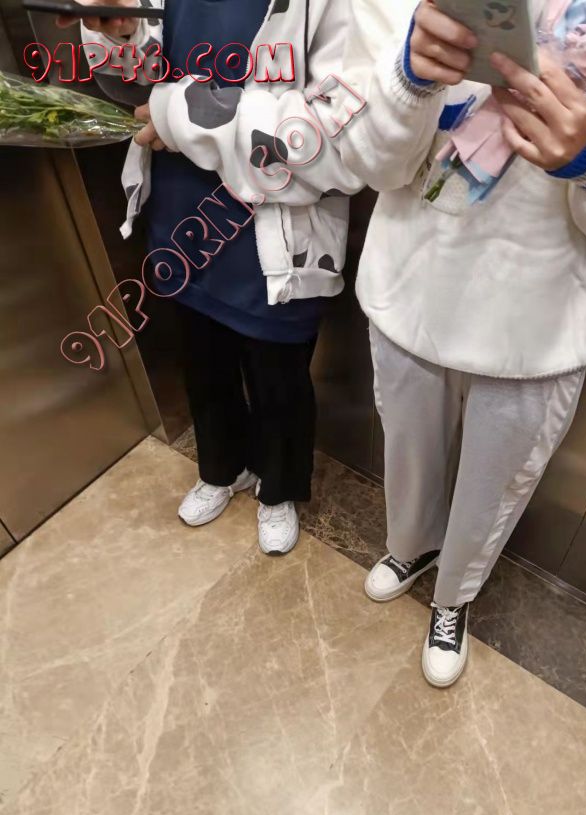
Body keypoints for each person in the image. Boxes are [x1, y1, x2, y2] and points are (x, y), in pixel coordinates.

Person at [338, 0, 586, 686]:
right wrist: (408, 81)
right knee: (407, 450)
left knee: (496, 481)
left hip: (544, 314)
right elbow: (368, 158)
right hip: (410, 282)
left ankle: (454, 595)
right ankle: (411, 546)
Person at [59, 0, 362, 555]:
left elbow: (332, 125)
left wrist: (181, 114)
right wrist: (124, 38)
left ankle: (278, 488)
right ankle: (222, 468)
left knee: (278, 375)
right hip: (184, 206)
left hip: (274, 218)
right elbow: (142, 84)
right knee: (203, 360)